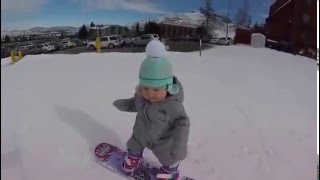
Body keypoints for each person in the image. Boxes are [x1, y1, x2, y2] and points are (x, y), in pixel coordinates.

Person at [113, 40, 190, 180]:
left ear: (168, 88)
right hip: (141, 133)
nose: (150, 93)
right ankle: (133, 157)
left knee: (169, 157)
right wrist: (125, 105)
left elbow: (183, 125)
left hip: (163, 140)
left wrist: (179, 148)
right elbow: (136, 104)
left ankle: (170, 170)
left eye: (156, 89)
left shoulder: (173, 106)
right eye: (146, 88)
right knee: (134, 144)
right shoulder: (142, 97)